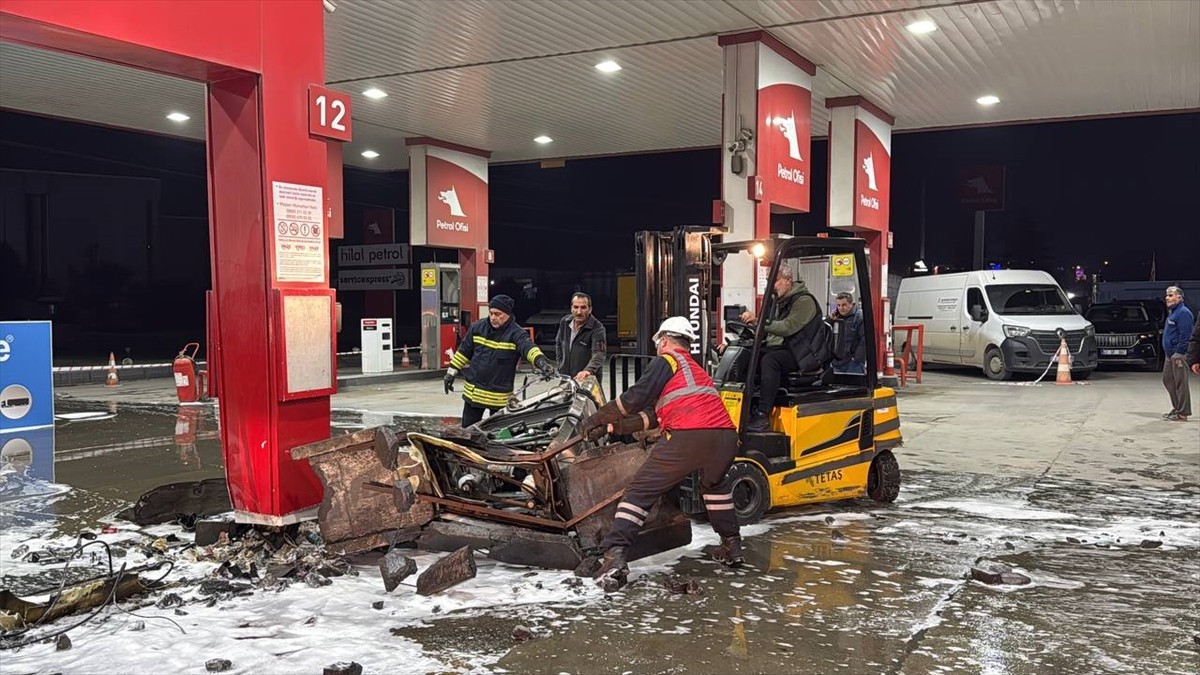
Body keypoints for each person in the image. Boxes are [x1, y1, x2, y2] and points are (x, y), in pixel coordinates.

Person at [577, 316, 743, 590]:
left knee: (639, 492)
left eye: (658, 344)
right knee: (715, 487)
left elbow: (634, 399)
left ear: (664, 340)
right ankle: (732, 546)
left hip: (689, 437)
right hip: (725, 438)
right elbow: (654, 416)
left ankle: (614, 555)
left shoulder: (666, 361)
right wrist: (611, 427)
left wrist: (596, 418)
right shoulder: (696, 370)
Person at [444, 294, 557, 427]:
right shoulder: (477, 328)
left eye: (498, 314)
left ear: (508, 314)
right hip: (473, 395)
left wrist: (541, 362)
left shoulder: (516, 333)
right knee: (468, 433)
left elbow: (528, 348)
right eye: (491, 313)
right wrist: (451, 373)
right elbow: (464, 352)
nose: (493, 317)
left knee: (498, 434)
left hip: (498, 398)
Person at [739, 265, 822, 432]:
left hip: (803, 354)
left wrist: (759, 322)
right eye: (769, 281)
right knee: (745, 356)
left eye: (775, 281)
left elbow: (787, 327)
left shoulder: (804, 301)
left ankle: (763, 414)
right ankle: (745, 408)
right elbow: (769, 331)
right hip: (782, 349)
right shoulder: (776, 302)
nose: (772, 285)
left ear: (788, 280)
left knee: (771, 360)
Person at [554, 292, 607, 381]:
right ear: (571, 308)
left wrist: (587, 371)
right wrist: (561, 365)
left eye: (583, 307)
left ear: (590, 309)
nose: (579, 312)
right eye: (576, 307)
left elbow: (599, 354)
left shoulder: (597, 329)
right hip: (566, 379)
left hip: (587, 381)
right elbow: (559, 344)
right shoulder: (565, 322)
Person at [1161, 286, 1194, 421]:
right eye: (1167, 295)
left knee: (1181, 383)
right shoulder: (1173, 312)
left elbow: (1186, 335)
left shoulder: (1184, 313)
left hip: (1178, 355)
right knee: (1168, 380)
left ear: (1180, 297)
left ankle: (1183, 413)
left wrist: (1179, 353)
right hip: (1170, 355)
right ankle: (1178, 408)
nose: (1167, 298)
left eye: (1171, 295)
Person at [830, 292, 866, 374]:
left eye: (844, 305)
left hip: (853, 363)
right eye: (838, 305)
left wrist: (857, 358)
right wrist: (830, 319)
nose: (841, 308)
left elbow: (864, 340)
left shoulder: (859, 317)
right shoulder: (836, 317)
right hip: (836, 362)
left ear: (851, 304)